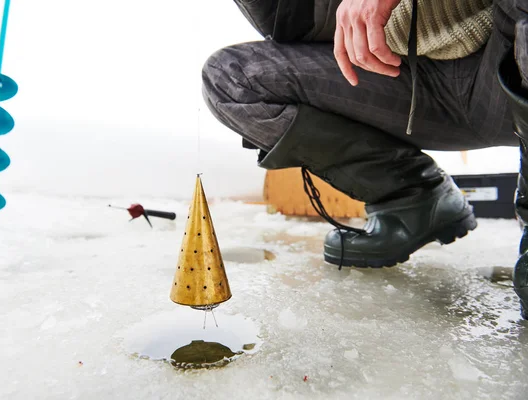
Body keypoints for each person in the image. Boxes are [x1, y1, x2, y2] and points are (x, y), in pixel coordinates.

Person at [201, 0, 528, 318]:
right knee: (232, 79)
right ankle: (411, 198)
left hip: (499, 65)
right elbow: (292, 23)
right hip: (410, 78)